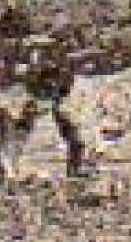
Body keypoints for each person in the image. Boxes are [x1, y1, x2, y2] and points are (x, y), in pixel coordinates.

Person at [13, 31, 89, 177]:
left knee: (71, 138)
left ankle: (73, 169)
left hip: (50, 108)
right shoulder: (37, 75)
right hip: (44, 109)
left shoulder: (56, 72)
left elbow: (63, 88)